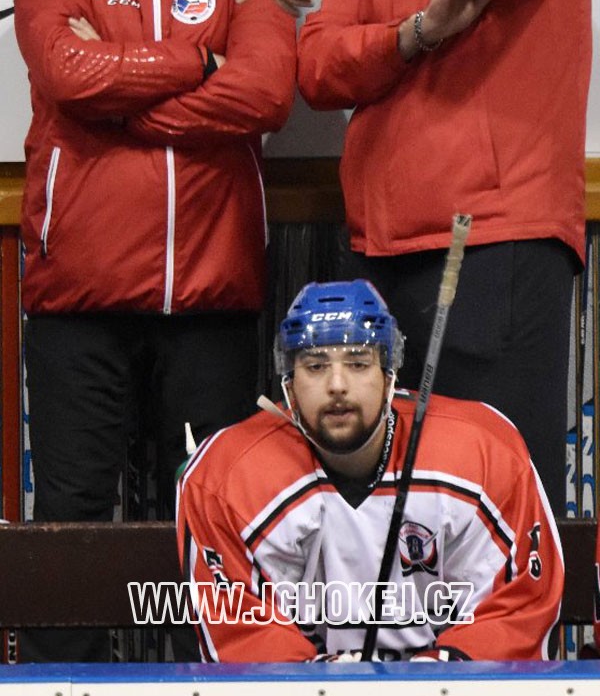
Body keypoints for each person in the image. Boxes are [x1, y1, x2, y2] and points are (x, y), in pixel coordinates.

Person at [237, 0, 592, 515]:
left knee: (499, 494)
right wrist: (414, 36)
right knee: (400, 508)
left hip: (494, 243)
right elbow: (319, 69)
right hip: (380, 251)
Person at [14, 0, 296, 660]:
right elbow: (66, 76)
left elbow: (265, 94)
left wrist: (124, 94)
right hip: (79, 301)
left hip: (212, 300)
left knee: (213, 519)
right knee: (72, 520)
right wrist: (196, 60)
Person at [177, 279, 563, 663]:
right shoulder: (224, 478)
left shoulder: (483, 451)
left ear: (389, 375)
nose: (337, 385)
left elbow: (516, 608)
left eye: (358, 363)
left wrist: (436, 675)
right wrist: (324, 681)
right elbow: (242, 630)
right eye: (315, 366)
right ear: (289, 383)